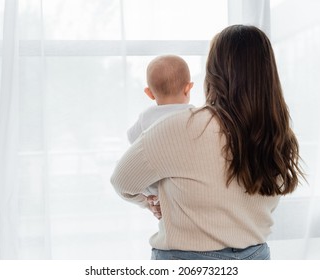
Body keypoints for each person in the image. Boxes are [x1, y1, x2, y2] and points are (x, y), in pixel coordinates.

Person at [110, 25, 305, 260]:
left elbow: (122, 181)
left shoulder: (179, 126)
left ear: (214, 73)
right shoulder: (277, 135)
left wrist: (149, 202)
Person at [127, 55, 194, 199]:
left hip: (156, 185)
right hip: (185, 182)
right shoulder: (194, 114)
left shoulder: (146, 116)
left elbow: (132, 138)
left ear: (149, 93)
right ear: (188, 88)